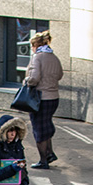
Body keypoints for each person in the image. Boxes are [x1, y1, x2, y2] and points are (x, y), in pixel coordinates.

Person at [23, 29, 63, 169]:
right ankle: (50, 153)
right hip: (53, 98)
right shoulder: (54, 57)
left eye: (32, 46)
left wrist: (26, 81)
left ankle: (43, 160)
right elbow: (59, 75)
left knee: (39, 128)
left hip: (40, 98)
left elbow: (34, 78)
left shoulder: (37, 57)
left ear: (35, 45)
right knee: (46, 124)